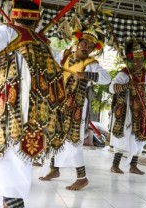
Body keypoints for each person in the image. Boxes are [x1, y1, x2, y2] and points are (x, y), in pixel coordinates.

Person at [0, 1, 65, 207]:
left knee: (5, 151)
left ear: (13, 16)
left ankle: (11, 201)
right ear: (38, 19)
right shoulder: (43, 43)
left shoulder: (7, 31)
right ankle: (9, 200)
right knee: (17, 155)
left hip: (8, 106)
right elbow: (58, 66)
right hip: (35, 111)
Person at [38, 24, 111, 190]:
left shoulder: (91, 63)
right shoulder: (64, 55)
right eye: (84, 43)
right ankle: (54, 169)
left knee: (73, 140)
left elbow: (106, 79)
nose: (86, 48)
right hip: (57, 102)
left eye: (91, 46)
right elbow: (48, 59)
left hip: (77, 106)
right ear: (77, 43)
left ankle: (82, 177)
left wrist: (86, 74)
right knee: (54, 134)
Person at [109, 38, 146, 175]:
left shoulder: (143, 72)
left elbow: (144, 82)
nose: (138, 63)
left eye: (141, 60)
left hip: (139, 108)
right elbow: (111, 88)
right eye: (135, 60)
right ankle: (114, 165)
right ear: (130, 60)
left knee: (138, 138)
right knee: (125, 137)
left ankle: (133, 166)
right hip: (126, 110)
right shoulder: (124, 73)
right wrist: (127, 85)